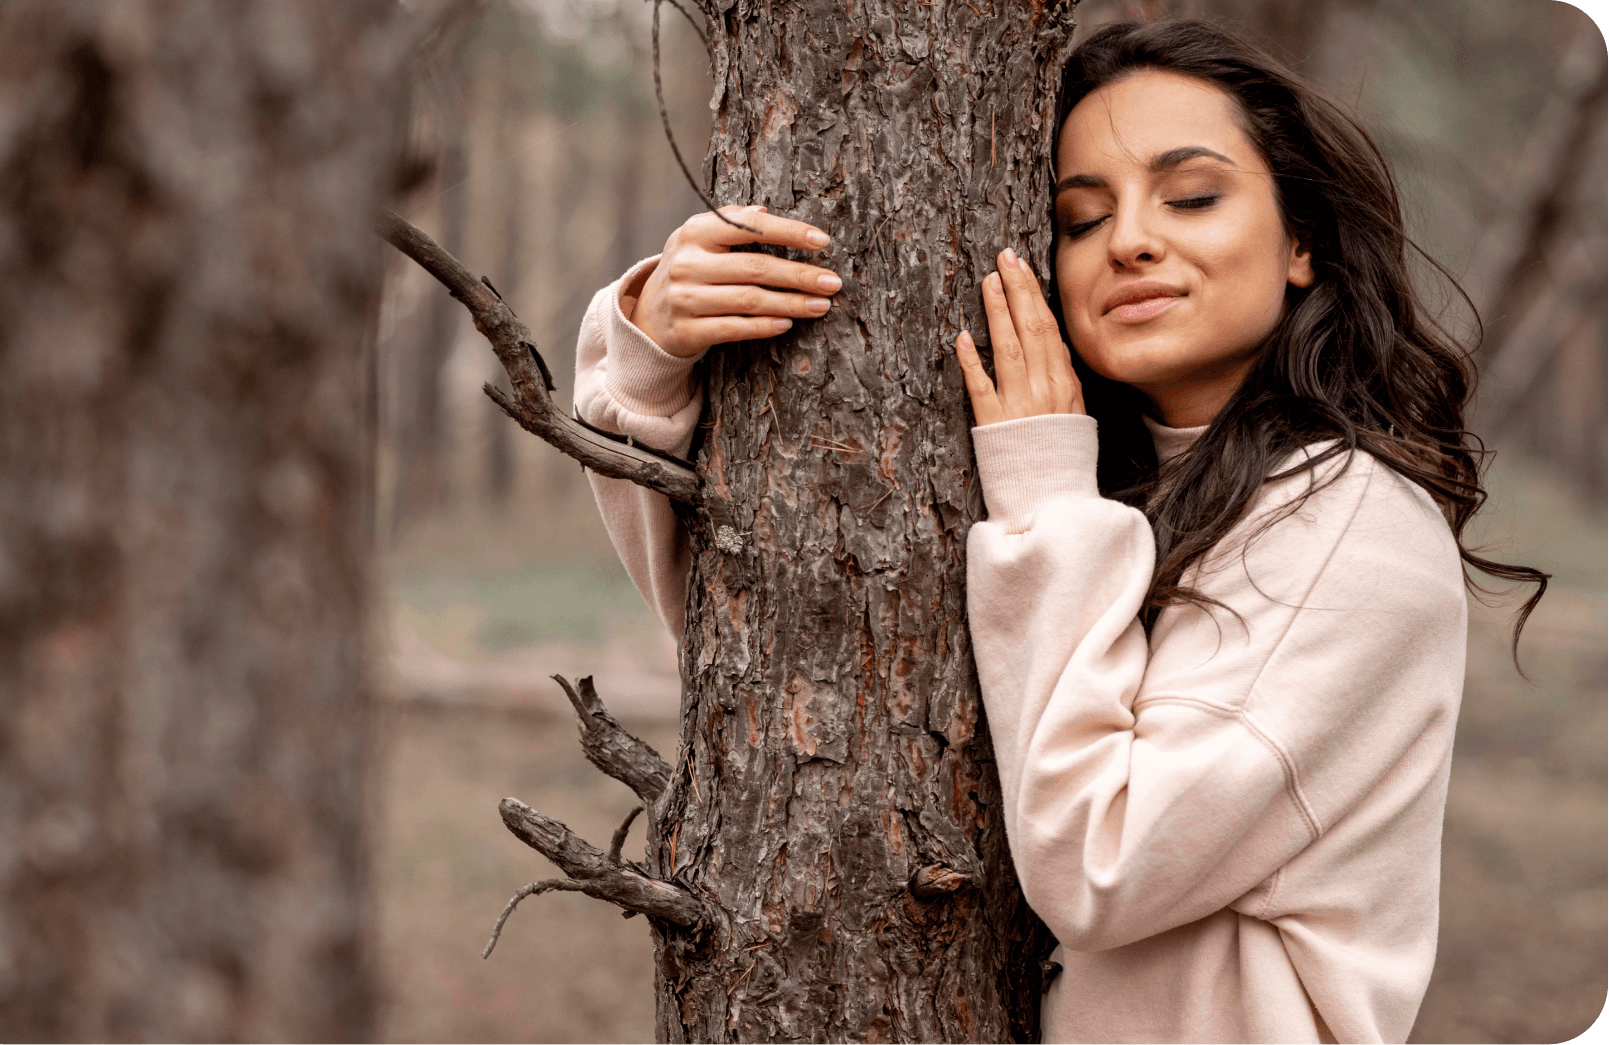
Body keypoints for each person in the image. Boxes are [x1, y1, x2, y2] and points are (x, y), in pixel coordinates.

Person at [570, 18, 1545, 1045]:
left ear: (1301, 239)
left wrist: (1043, 496)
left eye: (1194, 196)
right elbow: (765, 644)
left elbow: (1103, 859)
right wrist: (654, 347)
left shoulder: (1351, 523)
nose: (1129, 239)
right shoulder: (1102, 485)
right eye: (1081, 220)